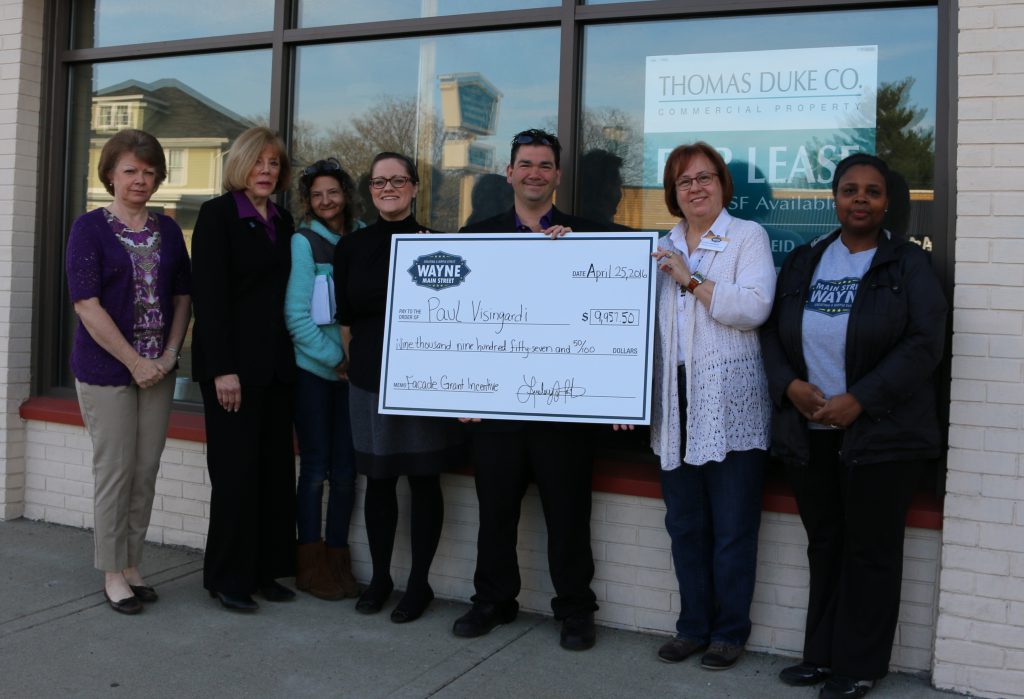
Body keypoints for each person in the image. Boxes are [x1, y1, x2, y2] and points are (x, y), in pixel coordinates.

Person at [761, 153, 946, 699]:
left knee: (871, 550)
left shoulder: (907, 265)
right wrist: (789, 386)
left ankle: (859, 665)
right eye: (849, 190)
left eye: (871, 191)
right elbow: (770, 333)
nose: (859, 199)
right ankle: (821, 655)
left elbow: (925, 345)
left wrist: (860, 400)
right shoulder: (804, 261)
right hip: (811, 432)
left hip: (882, 435)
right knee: (826, 543)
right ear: (834, 199)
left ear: (887, 202)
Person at [452, 128, 601, 651]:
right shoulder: (474, 237)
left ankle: (576, 609)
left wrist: (575, 255)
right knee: (495, 513)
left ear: (557, 176)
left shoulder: (588, 237)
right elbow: (459, 326)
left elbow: (613, 309)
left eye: (544, 165)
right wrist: (461, 393)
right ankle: (493, 601)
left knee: (568, 516)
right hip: (496, 410)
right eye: (525, 164)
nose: (534, 173)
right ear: (510, 173)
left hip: (564, 408)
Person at [648, 142, 775, 670]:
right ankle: (692, 627)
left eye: (705, 178)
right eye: (684, 181)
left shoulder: (747, 236)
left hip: (729, 406)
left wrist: (693, 279)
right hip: (674, 406)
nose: (695, 188)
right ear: (673, 194)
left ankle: (728, 633)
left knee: (732, 528)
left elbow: (755, 307)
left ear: (722, 184)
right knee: (685, 526)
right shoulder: (659, 245)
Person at [333, 151, 463, 623]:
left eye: (398, 180)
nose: (389, 188)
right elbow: (346, 319)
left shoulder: (437, 244)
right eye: (379, 181)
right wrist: (353, 362)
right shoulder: (351, 247)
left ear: (413, 187)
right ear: (369, 190)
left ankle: (418, 583)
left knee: (425, 480)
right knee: (380, 480)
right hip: (369, 379)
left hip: (424, 380)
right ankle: (382, 578)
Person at [66, 128, 191, 614]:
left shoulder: (168, 231)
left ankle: (133, 563)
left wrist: (169, 354)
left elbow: (183, 297)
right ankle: (112, 572)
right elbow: (86, 304)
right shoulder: (89, 228)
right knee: (115, 473)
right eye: (130, 170)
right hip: (107, 372)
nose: (140, 179)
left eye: (148, 171)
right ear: (111, 175)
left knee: (145, 471)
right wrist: (134, 361)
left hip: (157, 371)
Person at [191, 127, 297, 612]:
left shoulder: (284, 219)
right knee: (234, 475)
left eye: (275, 164)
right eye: (259, 162)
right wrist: (222, 369)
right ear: (241, 165)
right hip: (233, 371)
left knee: (273, 473)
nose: (267, 171)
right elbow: (209, 299)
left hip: (276, 370)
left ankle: (264, 570)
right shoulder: (217, 216)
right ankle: (227, 577)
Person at [286, 158, 362, 600]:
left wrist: (355, 363)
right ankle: (310, 565)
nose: (325, 201)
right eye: (316, 195)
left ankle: (339, 561)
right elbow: (296, 316)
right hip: (315, 373)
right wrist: (338, 358)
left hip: (354, 375)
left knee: (348, 472)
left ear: (346, 194)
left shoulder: (363, 235)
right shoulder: (304, 242)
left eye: (332, 192)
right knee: (316, 469)